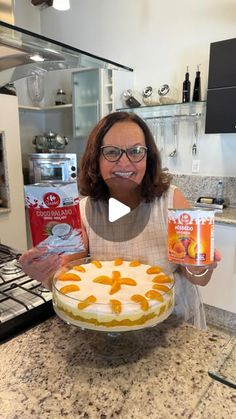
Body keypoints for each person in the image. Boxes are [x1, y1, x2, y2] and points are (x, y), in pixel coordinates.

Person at [19, 111, 220, 328]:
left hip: (171, 325)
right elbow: (67, 270)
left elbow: (199, 278)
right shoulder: (84, 210)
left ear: (148, 157)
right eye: (112, 152)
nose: (124, 163)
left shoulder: (171, 201)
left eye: (135, 151)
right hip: (108, 328)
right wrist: (44, 270)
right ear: (96, 159)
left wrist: (200, 267)